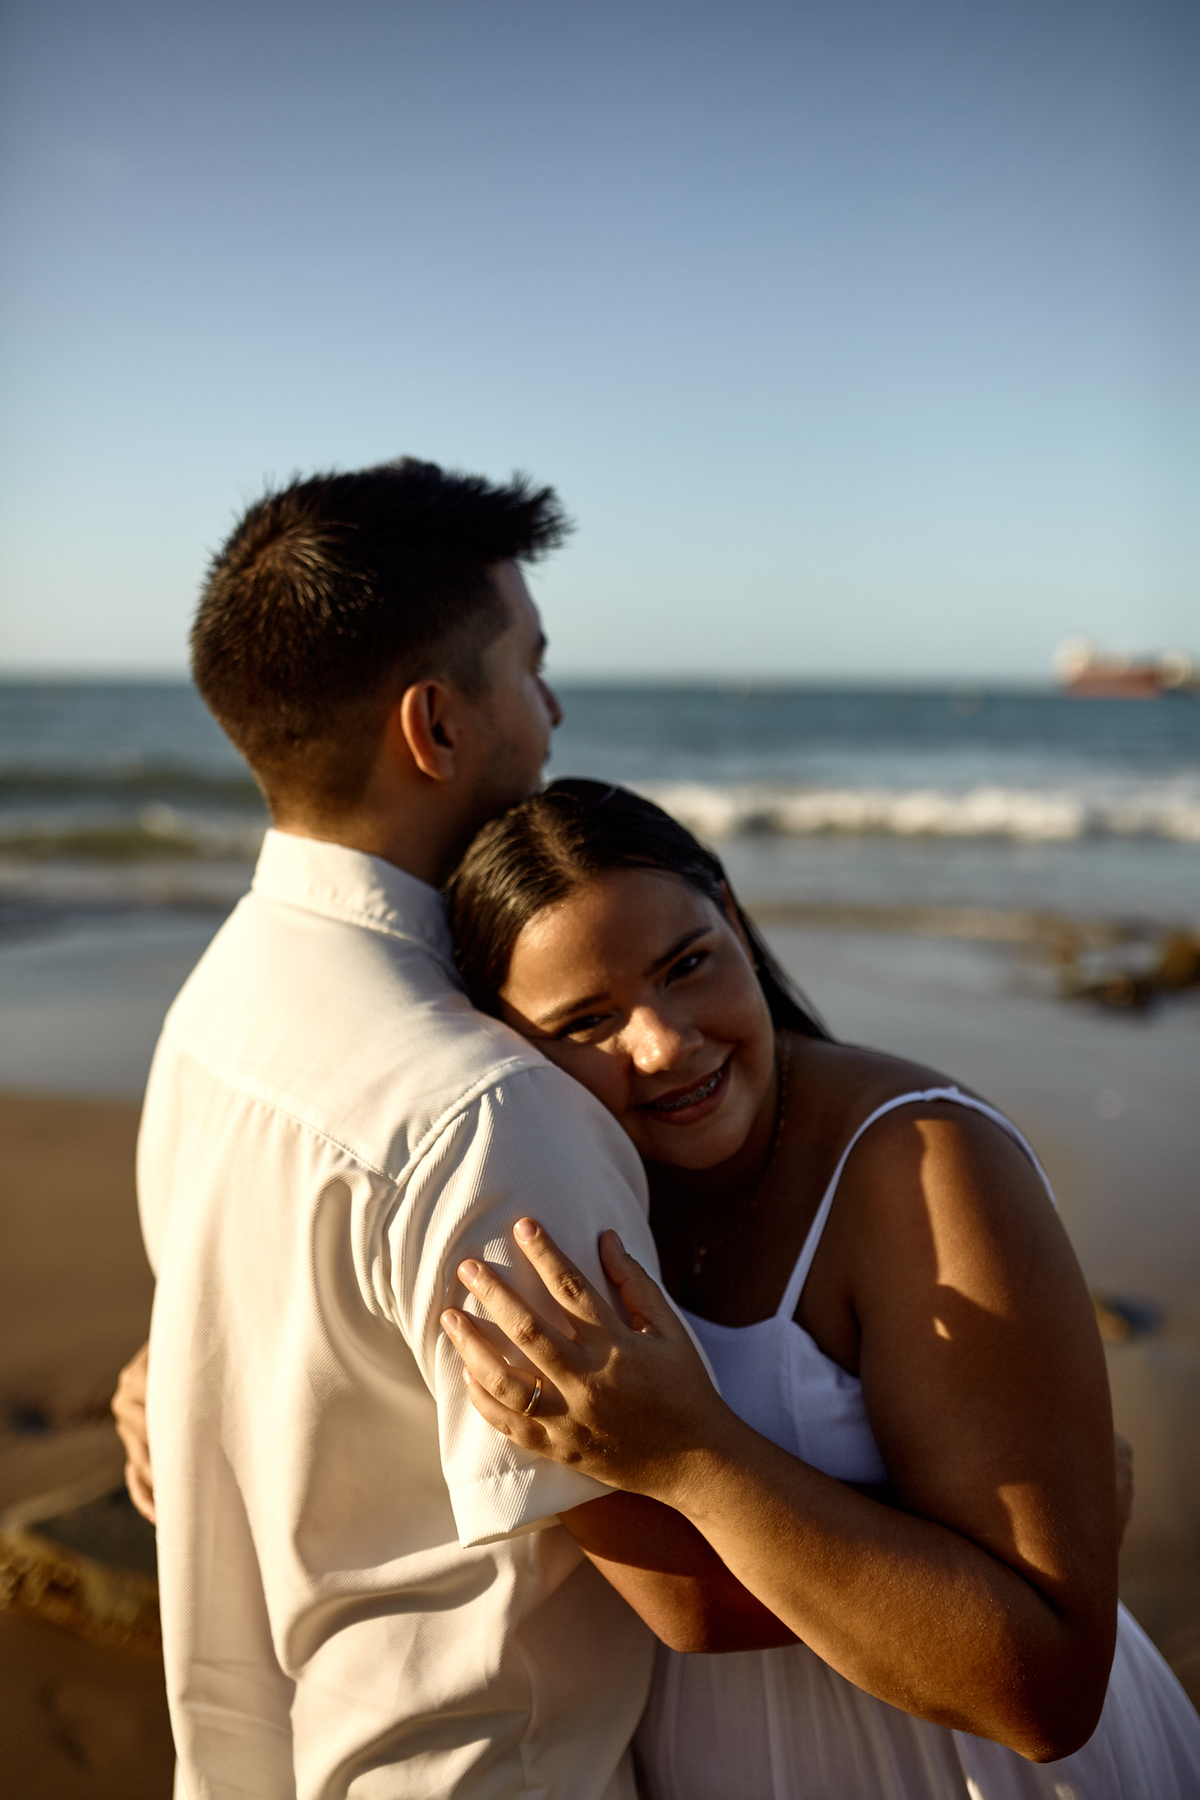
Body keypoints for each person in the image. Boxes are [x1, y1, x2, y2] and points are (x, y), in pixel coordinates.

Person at [132, 464, 793, 1800]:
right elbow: (698, 1600)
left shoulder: (213, 1013)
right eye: (530, 667)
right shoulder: (484, 1112)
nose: (551, 714)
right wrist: (1017, 1536)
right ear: (434, 723)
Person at [438, 778, 1200, 1800]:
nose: (663, 1043)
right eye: (587, 1022)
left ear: (737, 921)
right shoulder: (558, 1200)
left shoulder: (926, 1163)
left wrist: (692, 1456)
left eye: (688, 965)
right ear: (506, 1046)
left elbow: (1044, 1692)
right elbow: (676, 1601)